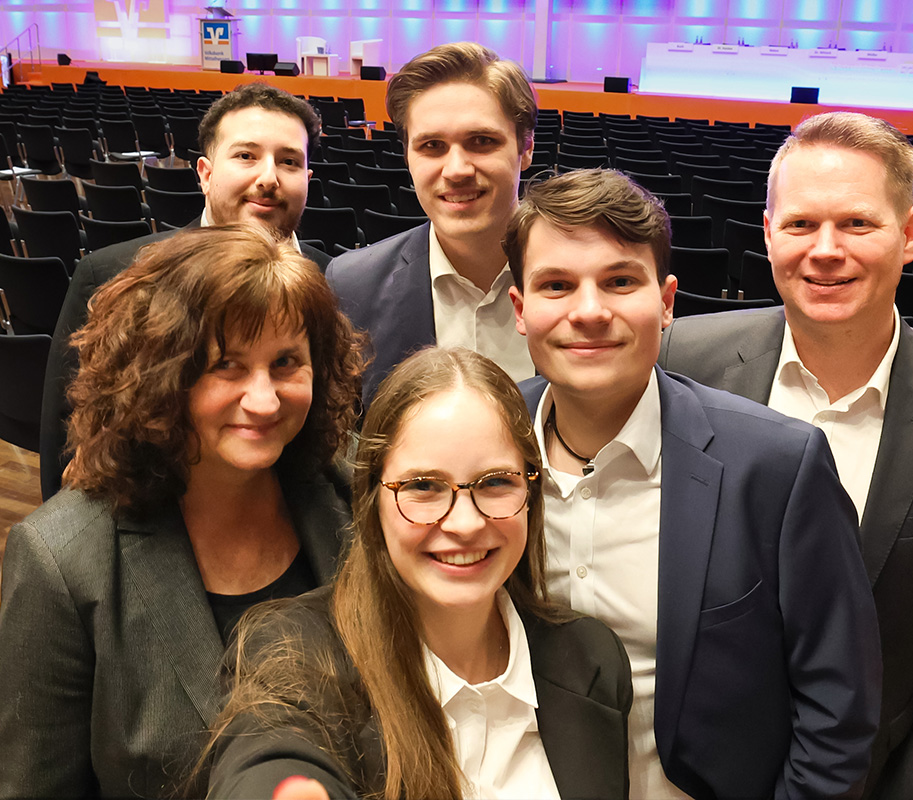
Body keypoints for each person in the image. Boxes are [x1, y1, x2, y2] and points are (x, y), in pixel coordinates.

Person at [504, 168, 882, 798]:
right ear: (521, 309)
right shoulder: (486, 441)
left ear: (667, 301)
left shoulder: (778, 467)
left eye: (620, 281)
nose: (589, 312)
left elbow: (837, 708)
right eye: (557, 285)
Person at [659, 111, 913, 798]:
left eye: (856, 223)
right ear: (768, 233)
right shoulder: (680, 358)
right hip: (677, 766)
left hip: (870, 777)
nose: (825, 250)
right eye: (800, 224)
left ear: (911, 234)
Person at [0, 225, 365, 798]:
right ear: (159, 376)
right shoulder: (63, 562)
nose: (265, 399)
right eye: (227, 365)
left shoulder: (357, 493)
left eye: (286, 362)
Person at [201, 347, 633, 800]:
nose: (465, 523)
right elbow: (265, 759)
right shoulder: (296, 654)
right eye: (423, 486)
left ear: (531, 494)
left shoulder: (590, 659)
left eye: (495, 482)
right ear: (372, 501)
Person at [39, 82, 327, 500]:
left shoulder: (334, 278)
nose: (269, 178)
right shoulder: (113, 274)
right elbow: (66, 437)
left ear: (307, 179)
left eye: (289, 162)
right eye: (246, 156)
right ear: (206, 174)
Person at [326, 42, 537, 408]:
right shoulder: (351, 286)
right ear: (407, 156)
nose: (456, 170)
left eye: (481, 141)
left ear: (526, 147)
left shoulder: (586, 283)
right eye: (432, 146)